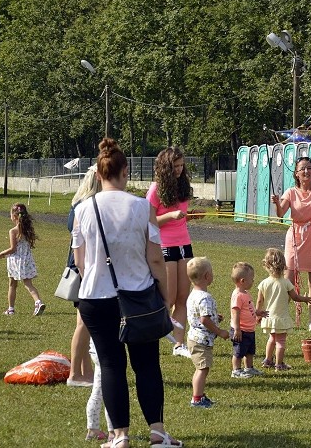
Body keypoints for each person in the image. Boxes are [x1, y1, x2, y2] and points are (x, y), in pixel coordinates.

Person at [72, 138, 182, 448]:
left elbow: (80, 261)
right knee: (147, 365)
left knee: (110, 365)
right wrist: (164, 295)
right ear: (125, 172)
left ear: (99, 173)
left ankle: (119, 436)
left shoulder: (83, 208)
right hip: (137, 296)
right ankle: (158, 432)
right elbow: (156, 258)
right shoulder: (141, 206)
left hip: (95, 297)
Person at [271, 156, 311, 331]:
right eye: (302, 169)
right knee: (287, 281)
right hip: (295, 237)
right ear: (296, 174)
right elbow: (280, 213)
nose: (306, 171)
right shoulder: (291, 192)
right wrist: (277, 203)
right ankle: (282, 316)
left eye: (309, 168)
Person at [147, 147, 194, 357]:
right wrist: (169, 216)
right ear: (165, 168)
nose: (179, 170)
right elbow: (148, 222)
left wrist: (189, 216)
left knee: (184, 296)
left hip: (184, 244)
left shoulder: (183, 186)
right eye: (175, 166)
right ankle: (157, 332)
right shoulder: (155, 190)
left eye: (181, 165)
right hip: (164, 245)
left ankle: (178, 343)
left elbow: (182, 215)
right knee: (170, 298)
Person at [67, 167, 101, 387]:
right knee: (84, 323)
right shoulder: (86, 206)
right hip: (84, 268)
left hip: (83, 266)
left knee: (83, 322)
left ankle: (84, 372)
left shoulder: (77, 204)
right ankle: (75, 374)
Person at [256, 248, 311, 371]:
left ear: (266, 265)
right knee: (281, 341)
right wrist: (305, 299)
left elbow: (260, 301)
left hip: (268, 317)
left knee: (272, 339)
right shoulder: (286, 282)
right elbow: (295, 297)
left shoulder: (264, 283)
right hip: (281, 318)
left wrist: (258, 313)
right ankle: (279, 363)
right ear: (283, 265)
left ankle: (268, 360)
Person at [186, 257, 230, 408]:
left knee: (201, 368)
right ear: (206, 276)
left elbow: (198, 315)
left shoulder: (193, 294)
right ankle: (197, 399)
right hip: (201, 340)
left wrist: (215, 317)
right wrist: (219, 331)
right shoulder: (205, 298)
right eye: (211, 272)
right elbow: (204, 320)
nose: (213, 275)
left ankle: (199, 395)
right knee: (202, 369)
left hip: (194, 337)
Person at [0, 203, 45, 316]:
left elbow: (13, 249)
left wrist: (1, 254)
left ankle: (11, 309)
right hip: (27, 259)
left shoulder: (13, 231)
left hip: (16, 261)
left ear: (15, 216)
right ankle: (37, 302)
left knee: (12, 284)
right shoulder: (27, 230)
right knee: (28, 283)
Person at [229, 262, 265, 378]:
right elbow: (236, 313)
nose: (253, 281)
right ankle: (236, 370)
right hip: (241, 330)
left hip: (249, 329)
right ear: (243, 281)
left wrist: (258, 313)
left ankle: (249, 368)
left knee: (249, 351)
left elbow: (249, 309)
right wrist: (237, 329)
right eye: (251, 279)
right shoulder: (238, 295)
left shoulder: (246, 293)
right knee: (239, 352)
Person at [85, 339, 113, 441]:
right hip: (107, 351)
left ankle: (92, 428)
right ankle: (113, 431)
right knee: (111, 392)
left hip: (95, 349)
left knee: (96, 392)